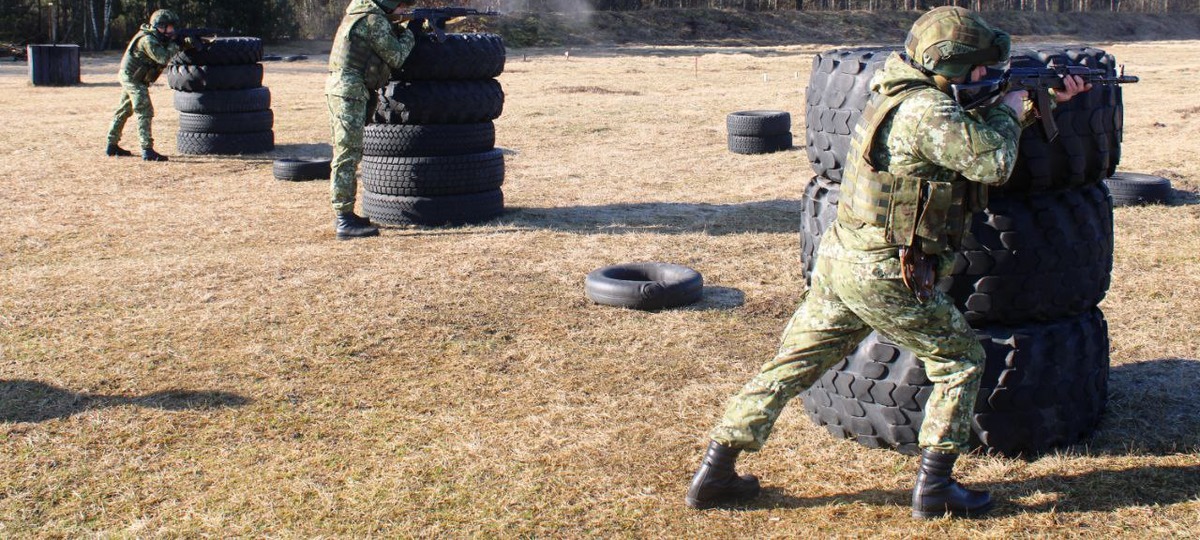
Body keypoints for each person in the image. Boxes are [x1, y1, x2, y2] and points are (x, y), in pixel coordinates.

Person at [685, 6, 1091, 519]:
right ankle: (936, 486)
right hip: (886, 272)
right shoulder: (927, 112)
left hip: (843, 258)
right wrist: (1011, 106)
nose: (986, 76)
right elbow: (992, 159)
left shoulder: (898, 90)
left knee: (791, 365)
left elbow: (962, 137)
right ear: (948, 67)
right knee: (961, 360)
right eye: (978, 69)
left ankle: (716, 469)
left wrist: (1042, 101)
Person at [326, 0, 416, 240]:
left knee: (349, 152)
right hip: (349, 91)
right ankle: (344, 219)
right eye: (400, 6)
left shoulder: (365, 14)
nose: (402, 10)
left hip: (348, 89)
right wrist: (411, 34)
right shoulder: (373, 20)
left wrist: (399, 26)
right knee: (347, 153)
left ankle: (347, 214)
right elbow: (396, 57)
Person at [105, 9, 195, 162]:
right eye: (169, 27)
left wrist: (185, 43)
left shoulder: (157, 37)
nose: (172, 30)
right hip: (132, 78)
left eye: (173, 27)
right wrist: (177, 43)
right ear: (160, 26)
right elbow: (163, 58)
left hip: (136, 77)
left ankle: (111, 145)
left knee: (124, 110)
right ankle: (147, 150)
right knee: (144, 110)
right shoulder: (148, 40)